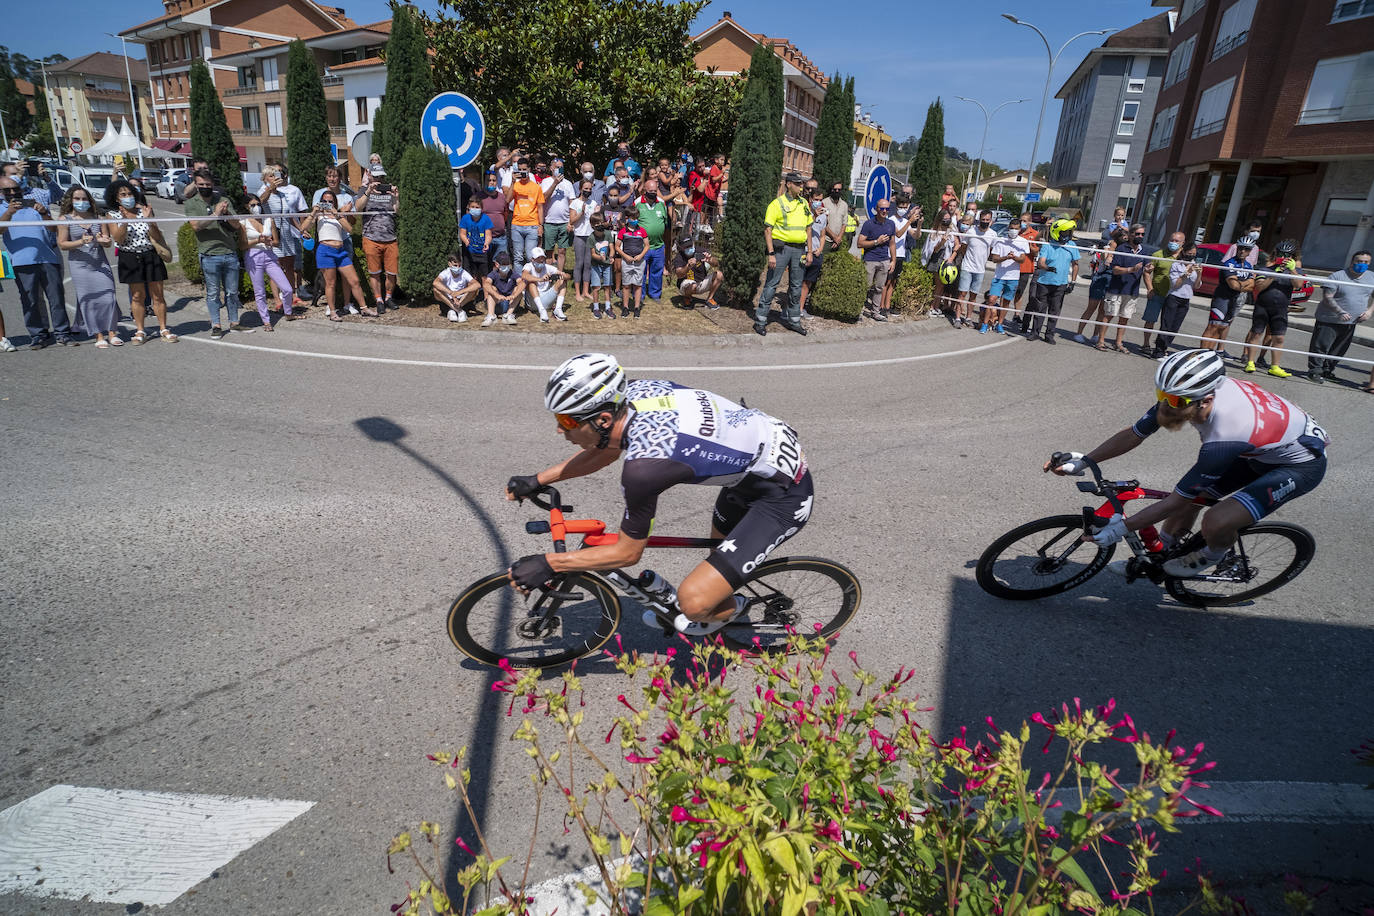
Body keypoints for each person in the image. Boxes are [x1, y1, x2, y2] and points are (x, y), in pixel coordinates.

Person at [505, 353, 814, 635]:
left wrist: (551, 563)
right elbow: (607, 448)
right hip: (751, 474)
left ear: (602, 419)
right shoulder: (633, 395)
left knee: (694, 603)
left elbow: (627, 553)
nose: (560, 430)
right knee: (717, 563)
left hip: (782, 498)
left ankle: (734, 609)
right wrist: (538, 478)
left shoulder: (644, 469)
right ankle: (722, 597)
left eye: (567, 420)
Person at [1048, 349, 1328, 577]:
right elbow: (1135, 433)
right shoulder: (1183, 394)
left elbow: (1175, 503)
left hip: (1298, 466)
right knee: (1191, 498)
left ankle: (1210, 555)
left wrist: (1120, 529)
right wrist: (1085, 460)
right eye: (1162, 396)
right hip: (1260, 449)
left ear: (1206, 400)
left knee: (1214, 518)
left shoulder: (1226, 433)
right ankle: (1161, 557)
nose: (1166, 406)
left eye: (1175, 401)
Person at [0, 176, 74, 348]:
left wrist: (44, 213)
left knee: (56, 298)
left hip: (47, 258)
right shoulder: (2, 209)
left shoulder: (32, 204)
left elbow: (53, 228)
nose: (13, 193)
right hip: (21, 261)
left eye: (15, 189)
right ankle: (38, 335)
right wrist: (9, 212)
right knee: (30, 300)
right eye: (7, 190)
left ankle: (62, 333)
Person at [105, 179, 175, 344]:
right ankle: (140, 330)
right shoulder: (112, 215)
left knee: (157, 295)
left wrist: (149, 219)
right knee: (137, 296)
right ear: (116, 198)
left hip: (150, 255)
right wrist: (124, 220)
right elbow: (119, 239)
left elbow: (157, 237)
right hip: (129, 256)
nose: (127, 197)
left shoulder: (143, 210)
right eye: (123, 194)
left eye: (130, 193)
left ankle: (163, 328)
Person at [56, 187, 120, 348]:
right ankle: (98, 335)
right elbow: (62, 244)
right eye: (77, 199)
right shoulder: (65, 219)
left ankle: (112, 332)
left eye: (84, 199)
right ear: (70, 200)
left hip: (100, 263)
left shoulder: (98, 217)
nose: (81, 202)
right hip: (80, 266)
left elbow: (107, 241)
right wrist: (80, 242)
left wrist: (103, 240)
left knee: (109, 297)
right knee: (89, 301)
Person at [185, 169, 244, 339]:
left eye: (208, 185)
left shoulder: (223, 200)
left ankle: (234, 322)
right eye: (201, 184)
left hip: (229, 252)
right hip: (209, 254)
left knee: (232, 292)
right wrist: (215, 214)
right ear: (195, 185)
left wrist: (226, 214)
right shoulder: (192, 203)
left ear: (213, 185)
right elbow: (196, 226)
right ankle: (216, 324)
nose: (205, 187)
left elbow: (236, 225)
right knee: (213, 292)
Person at [301, 190, 375, 321]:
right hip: (325, 250)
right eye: (325, 201)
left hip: (340, 250)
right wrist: (314, 212)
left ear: (334, 202)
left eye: (330, 201)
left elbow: (350, 229)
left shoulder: (338, 214)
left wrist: (337, 214)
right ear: (320, 202)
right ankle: (333, 311)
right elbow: (303, 227)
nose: (327, 204)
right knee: (331, 283)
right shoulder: (318, 216)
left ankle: (364, 308)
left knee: (354, 281)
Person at [754, 172, 811, 337]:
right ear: (788, 184)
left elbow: (808, 228)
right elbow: (768, 229)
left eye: (802, 184)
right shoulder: (776, 204)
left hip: (799, 250)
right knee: (771, 285)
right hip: (781, 250)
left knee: (796, 287)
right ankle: (760, 320)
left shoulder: (804, 204)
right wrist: (771, 253)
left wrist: (809, 251)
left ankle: (794, 321)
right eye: (798, 184)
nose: (801, 187)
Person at [1307, 250, 1373, 384]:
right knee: (1321, 346)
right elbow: (1327, 297)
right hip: (1329, 319)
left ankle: (1327, 370)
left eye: (1365, 262)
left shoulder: (1371, 277)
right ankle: (1315, 371)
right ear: (1352, 262)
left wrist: (1369, 311)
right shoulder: (1337, 276)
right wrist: (1340, 311)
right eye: (1359, 261)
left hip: (1352, 322)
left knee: (1339, 349)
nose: (1362, 264)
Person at [1241, 239, 1303, 378]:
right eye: (1281, 254)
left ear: (1292, 257)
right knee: (1256, 334)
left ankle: (1275, 366)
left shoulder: (1295, 270)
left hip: (1281, 308)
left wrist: (1292, 270)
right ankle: (1250, 362)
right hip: (1263, 306)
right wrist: (1274, 274)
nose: (1284, 257)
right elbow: (1259, 287)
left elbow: (1298, 284)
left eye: (1288, 255)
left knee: (1279, 337)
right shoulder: (1266, 268)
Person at [237, 192, 297, 330]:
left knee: (287, 289)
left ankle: (288, 312)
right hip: (253, 256)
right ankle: (266, 321)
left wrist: (270, 242)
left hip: (270, 255)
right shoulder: (243, 222)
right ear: (247, 206)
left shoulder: (269, 220)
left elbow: (276, 242)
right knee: (260, 292)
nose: (256, 207)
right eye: (253, 205)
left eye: (258, 204)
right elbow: (242, 245)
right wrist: (258, 240)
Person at [1024, 218, 1080, 344]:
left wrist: (1073, 282)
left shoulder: (1072, 246)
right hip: (1044, 282)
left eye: (1069, 233)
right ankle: (1035, 333)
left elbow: (1076, 264)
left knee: (1055, 311)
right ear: (1057, 233)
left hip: (1061, 284)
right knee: (1040, 309)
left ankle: (1049, 335)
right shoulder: (1048, 245)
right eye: (1064, 233)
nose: (1067, 236)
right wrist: (1047, 268)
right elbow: (1041, 262)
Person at [258, 165, 309, 300]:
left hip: (287, 234)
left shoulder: (282, 194)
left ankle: (292, 296)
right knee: (276, 268)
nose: (274, 178)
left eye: (275, 175)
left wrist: (301, 230)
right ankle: (277, 299)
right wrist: (270, 189)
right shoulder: (264, 192)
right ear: (264, 179)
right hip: (274, 235)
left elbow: (289, 215)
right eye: (271, 176)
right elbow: (260, 202)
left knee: (290, 266)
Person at [1199, 237, 1254, 357]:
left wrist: (1240, 284)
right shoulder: (1229, 263)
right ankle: (1201, 353)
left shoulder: (1249, 266)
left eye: (1246, 249)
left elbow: (1252, 286)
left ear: (1250, 251)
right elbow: (1233, 285)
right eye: (1240, 248)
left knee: (1222, 328)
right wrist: (1245, 283)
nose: (1242, 251)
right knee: (1213, 326)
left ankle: (1210, 353)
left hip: (1234, 300)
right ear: (1237, 248)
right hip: (1222, 299)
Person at [356, 167, 399, 312]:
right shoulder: (363, 190)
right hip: (371, 238)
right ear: (370, 176)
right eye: (376, 177)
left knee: (392, 272)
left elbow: (396, 210)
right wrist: (368, 192)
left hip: (390, 237)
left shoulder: (388, 190)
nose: (379, 180)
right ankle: (378, 299)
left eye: (381, 177)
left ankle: (388, 297)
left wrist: (396, 197)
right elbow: (358, 208)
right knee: (374, 272)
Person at [1100, 224, 1148, 351]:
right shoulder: (1122, 248)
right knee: (1109, 315)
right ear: (1130, 234)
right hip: (1116, 289)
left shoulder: (1144, 251)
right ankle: (1100, 341)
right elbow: (1115, 270)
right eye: (1137, 234)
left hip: (1132, 290)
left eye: (1142, 234)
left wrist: (1149, 268)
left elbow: (1146, 269)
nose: (1140, 236)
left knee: (1124, 318)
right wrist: (1131, 269)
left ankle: (1119, 343)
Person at [1151, 240, 1201, 358]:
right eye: (1189, 253)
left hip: (1186, 299)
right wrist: (1186, 273)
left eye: (1194, 254)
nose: (1192, 256)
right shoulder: (1176, 265)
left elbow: (1197, 286)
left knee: (1175, 328)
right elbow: (1175, 284)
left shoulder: (1195, 265)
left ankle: (1164, 349)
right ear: (1183, 252)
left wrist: (1199, 274)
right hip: (1174, 298)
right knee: (1166, 325)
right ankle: (1158, 351)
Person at [1075, 228, 1123, 344]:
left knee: (1102, 310)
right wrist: (1109, 254)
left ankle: (1095, 335)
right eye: (1113, 243)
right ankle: (1079, 333)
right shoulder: (1106, 249)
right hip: (1100, 280)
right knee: (1091, 308)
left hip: (1111, 281)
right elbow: (1105, 260)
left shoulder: (1121, 251)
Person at [1141, 231, 1185, 352]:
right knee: (1150, 320)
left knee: (1168, 324)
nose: (1173, 243)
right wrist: (1150, 288)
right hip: (1157, 293)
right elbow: (1146, 272)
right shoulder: (1158, 254)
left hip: (1174, 296)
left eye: (1177, 241)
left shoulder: (1184, 257)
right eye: (1172, 240)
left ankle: (1161, 347)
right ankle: (1145, 344)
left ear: (1182, 243)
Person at [953, 210, 997, 328]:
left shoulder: (993, 234)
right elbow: (963, 247)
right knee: (962, 293)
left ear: (991, 221)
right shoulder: (971, 231)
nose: (985, 222)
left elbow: (992, 251)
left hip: (980, 269)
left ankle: (968, 318)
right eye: (983, 220)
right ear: (979, 219)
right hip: (967, 267)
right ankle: (957, 318)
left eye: (987, 220)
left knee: (973, 295)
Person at [984, 222, 1029, 335]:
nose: (1013, 230)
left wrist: (1014, 258)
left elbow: (1023, 260)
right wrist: (1006, 257)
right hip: (999, 276)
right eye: (1011, 228)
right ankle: (985, 323)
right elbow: (994, 258)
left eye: (1016, 228)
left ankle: (1000, 324)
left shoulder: (1023, 242)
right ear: (1008, 229)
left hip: (1013, 277)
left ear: (1019, 229)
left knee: (1006, 302)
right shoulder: (1000, 240)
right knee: (992, 299)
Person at [858, 198, 897, 322]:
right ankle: (858, 312)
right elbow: (860, 243)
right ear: (876, 209)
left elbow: (892, 243)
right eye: (882, 208)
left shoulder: (890, 224)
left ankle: (875, 312)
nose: (884, 211)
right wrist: (876, 242)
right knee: (865, 287)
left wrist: (893, 261)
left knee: (879, 288)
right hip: (870, 260)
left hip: (884, 260)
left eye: (887, 209)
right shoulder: (869, 224)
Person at [883, 196, 922, 315]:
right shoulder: (891, 220)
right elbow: (898, 234)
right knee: (886, 282)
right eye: (901, 207)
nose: (903, 209)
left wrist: (919, 225)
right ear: (897, 207)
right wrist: (910, 221)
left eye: (905, 207)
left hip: (900, 255)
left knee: (893, 282)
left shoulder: (905, 222)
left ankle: (888, 306)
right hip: (890, 255)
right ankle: (881, 306)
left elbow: (915, 235)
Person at [506, 158, 544, 274]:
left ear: (529, 170)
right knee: (517, 257)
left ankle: (531, 280)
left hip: (532, 225)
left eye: (524, 169)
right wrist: (512, 182)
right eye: (520, 169)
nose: (522, 172)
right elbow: (507, 199)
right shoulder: (516, 185)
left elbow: (540, 207)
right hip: (517, 225)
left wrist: (541, 225)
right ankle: (518, 282)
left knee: (530, 256)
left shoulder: (536, 187)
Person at [798, 186, 828, 319]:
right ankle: (790, 309)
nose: (818, 202)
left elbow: (822, 235)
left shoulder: (823, 217)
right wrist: (814, 216)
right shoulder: (804, 213)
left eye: (820, 200)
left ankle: (801, 308)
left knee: (807, 283)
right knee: (797, 282)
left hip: (816, 254)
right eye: (816, 199)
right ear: (810, 199)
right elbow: (803, 230)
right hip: (803, 252)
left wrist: (820, 249)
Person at [541, 158, 576, 270]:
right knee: (549, 250)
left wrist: (571, 222)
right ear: (551, 168)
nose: (559, 169)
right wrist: (555, 183)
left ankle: (560, 273)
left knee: (562, 250)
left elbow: (572, 204)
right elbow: (543, 198)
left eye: (561, 167)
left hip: (564, 222)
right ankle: (549, 274)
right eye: (557, 167)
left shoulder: (568, 184)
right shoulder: (545, 182)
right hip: (549, 221)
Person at [923, 210, 959, 318]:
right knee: (938, 285)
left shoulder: (952, 230)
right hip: (937, 259)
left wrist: (952, 256)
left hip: (947, 259)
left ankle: (936, 307)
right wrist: (942, 242)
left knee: (942, 285)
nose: (947, 221)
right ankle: (931, 307)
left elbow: (957, 244)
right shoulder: (934, 232)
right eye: (945, 219)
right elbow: (933, 249)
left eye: (949, 219)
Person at [569, 179, 599, 301]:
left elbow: (596, 220)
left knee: (588, 264)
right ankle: (577, 292)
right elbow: (572, 221)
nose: (588, 191)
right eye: (585, 188)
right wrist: (581, 212)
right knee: (579, 263)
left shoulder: (594, 203)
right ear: (580, 189)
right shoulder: (574, 203)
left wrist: (597, 214)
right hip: (579, 235)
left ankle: (586, 291)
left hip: (590, 236)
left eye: (590, 189)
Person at [672, 235, 722, 308]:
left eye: (690, 245)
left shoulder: (700, 251)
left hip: (701, 283)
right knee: (693, 285)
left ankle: (710, 299)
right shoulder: (679, 257)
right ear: (682, 247)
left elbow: (716, 264)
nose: (689, 248)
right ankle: (687, 298)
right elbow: (679, 274)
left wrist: (710, 260)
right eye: (686, 247)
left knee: (719, 274)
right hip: (686, 285)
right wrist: (688, 266)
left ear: (693, 243)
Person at [433, 250, 483, 323]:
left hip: (461, 300)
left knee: (474, 289)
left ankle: (454, 309)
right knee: (436, 290)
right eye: (455, 265)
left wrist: (459, 292)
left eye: (459, 265)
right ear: (449, 264)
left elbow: (477, 285)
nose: (458, 268)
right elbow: (435, 282)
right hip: (448, 299)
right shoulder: (445, 273)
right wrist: (451, 293)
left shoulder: (463, 272)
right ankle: (458, 310)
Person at [616, 211, 649, 319]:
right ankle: (625, 307)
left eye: (636, 218)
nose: (634, 220)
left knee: (638, 285)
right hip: (627, 261)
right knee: (626, 285)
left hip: (639, 262)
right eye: (632, 218)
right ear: (627, 218)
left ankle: (636, 308)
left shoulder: (642, 231)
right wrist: (625, 256)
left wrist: (641, 255)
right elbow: (617, 247)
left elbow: (647, 245)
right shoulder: (622, 231)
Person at [1012, 213, 1040, 327]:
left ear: (1029, 222)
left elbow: (1037, 251)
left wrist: (1027, 245)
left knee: (1019, 291)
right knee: (1009, 290)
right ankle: (1007, 312)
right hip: (1013, 265)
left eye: (1024, 221)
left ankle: (1016, 315)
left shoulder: (1035, 234)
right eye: (1021, 220)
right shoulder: (1015, 231)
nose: (1022, 223)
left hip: (1026, 267)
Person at [483, 251, 521, 325]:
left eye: (508, 264)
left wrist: (514, 295)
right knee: (492, 289)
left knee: (518, 289)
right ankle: (491, 316)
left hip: (510, 303)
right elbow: (486, 284)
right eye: (503, 264)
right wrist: (497, 296)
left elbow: (522, 283)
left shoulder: (513, 273)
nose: (506, 267)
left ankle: (508, 315)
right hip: (498, 303)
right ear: (497, 264)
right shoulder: (493, 274)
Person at [460, 197, 495, 279]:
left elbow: (489, 235)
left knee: (484, 277)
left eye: (477, 207)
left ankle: (486, 291)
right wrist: (465, 240)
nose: (475, 209)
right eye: (472, 207)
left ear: (481, 208)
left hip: (482, 251)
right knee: (471, 277)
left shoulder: (486, 219)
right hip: (469, 251)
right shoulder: (465, 218)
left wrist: (486, 243)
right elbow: (462, 233)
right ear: (469, 207)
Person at [479, 168, 509, 260]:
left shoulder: (502, 197)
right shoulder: (478, 197)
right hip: (483, 238)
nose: (491, 182)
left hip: (500, 238)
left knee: (500, 264)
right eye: (489, 180)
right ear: (484, 181)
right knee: (484, 264)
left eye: (494, 180)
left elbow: (505, 213)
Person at [589, 221, 616, 319]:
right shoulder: (591, 237)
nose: (600, 235)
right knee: (596, 287)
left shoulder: (608, 234)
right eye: (598, 234)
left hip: (607, 265)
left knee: (607, 286)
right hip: (595, 265)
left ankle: (608, 307)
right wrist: (600, 257)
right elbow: (592, 253)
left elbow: (612, 248)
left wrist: (611, 256)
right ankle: (596, 308)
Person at [821, 180, 849, 254]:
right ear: (831, 190)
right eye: (835, 189)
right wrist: (834, 237)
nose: (837, 191)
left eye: (839, 189)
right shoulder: (824, 203)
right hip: (826, 240)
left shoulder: (844, 205)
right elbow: (823, 223)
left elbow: (844, 223)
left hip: (838, 241)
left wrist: (839, 238)